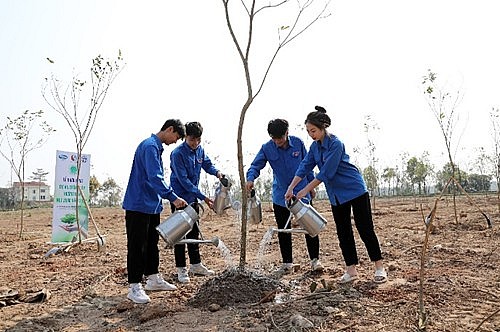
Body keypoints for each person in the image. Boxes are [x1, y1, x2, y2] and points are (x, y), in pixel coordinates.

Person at [285, 106, 388, 284]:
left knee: (365, 229)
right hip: (336, 195)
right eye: (308, 131)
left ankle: (379, 267)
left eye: (314, 130)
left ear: (323, 127)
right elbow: (304, 166)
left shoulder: (335, 144)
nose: (311, 134)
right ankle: (351, 270)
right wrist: (291, 187)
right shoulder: (314, 147)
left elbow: (326, 173)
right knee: (343, 232)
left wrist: (304, 190)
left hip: (354, 189)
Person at [246, 119, 324, 274]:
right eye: (274, 139)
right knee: (283, 230)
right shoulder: (267, 148)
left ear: (287, 133)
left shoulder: (298, 143)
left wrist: (311, 187)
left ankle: (315, 260)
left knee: (309, 227)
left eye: (279, 138)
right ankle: (287, 263)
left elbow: (306, 164)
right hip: (281, 195)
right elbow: (256, 165)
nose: (277, 142)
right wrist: (250, 178)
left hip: (301, 193)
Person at [122, 119, 188, 304]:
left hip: (151, 204)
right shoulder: (150, 146)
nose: (175, 141)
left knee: (151, 243)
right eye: (176, 137)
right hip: (138, 204)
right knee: (137, 245)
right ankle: (134, 286)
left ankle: (153, 278)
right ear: (169, 129)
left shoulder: (156, 148)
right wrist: (172, 197)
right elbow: (155, 177)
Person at [169, 121, 224, 283]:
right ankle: (181, 269)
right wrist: (204, 197)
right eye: (192, 139)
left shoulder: (199, 150)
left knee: (193, 231)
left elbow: (207, 164)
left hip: (193, 198)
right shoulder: (177, 154)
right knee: (179, 234)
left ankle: (196, 264)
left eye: (198, 139)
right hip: (179, 199)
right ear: (185, 137)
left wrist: (217, 173)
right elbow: (184, 181)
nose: (196, 143)